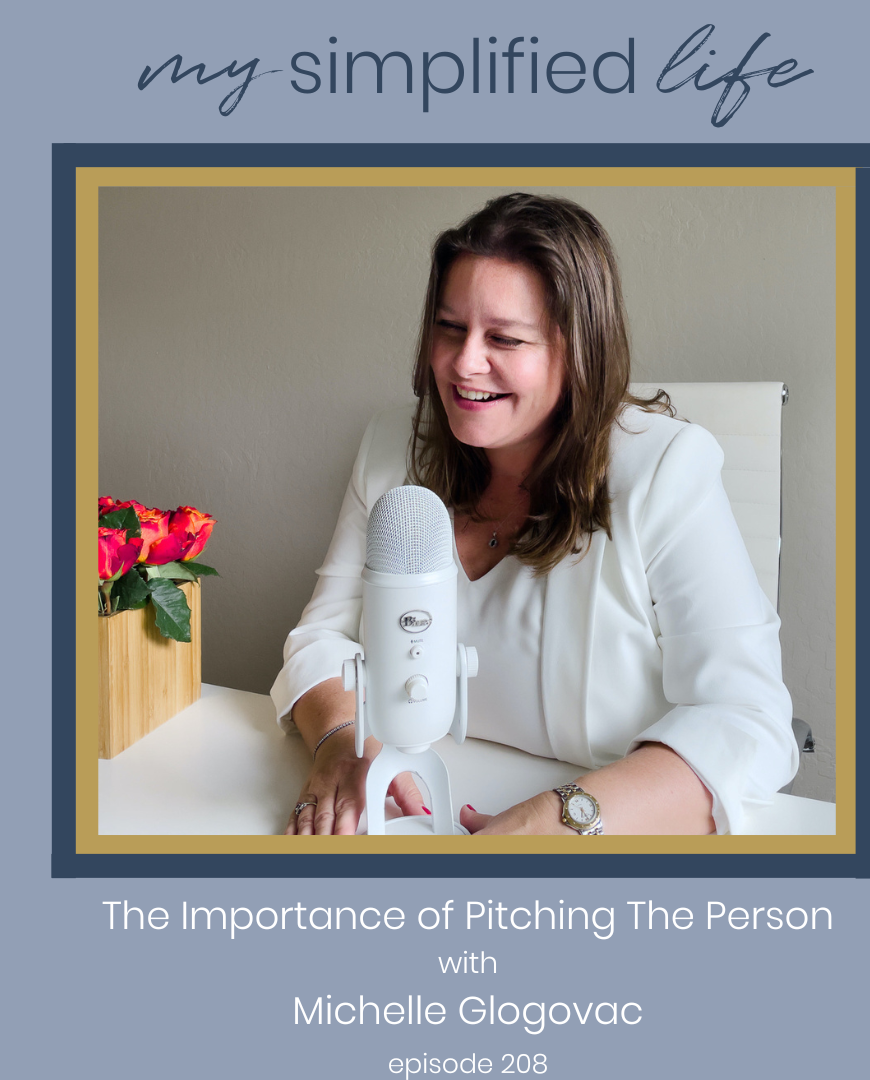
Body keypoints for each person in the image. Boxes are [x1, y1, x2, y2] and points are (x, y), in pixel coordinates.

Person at [270, 192, 796, 837]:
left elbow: (748, 719)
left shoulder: (667, 469)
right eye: (449, 327)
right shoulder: (391, 447)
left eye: (505, 339)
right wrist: (341, 742)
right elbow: (321, 640)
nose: (463, 364)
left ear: (577, 351)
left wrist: (558, 820)